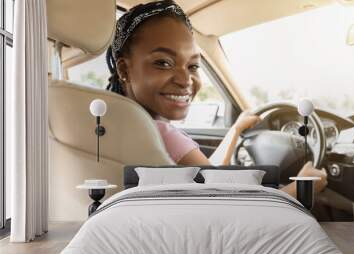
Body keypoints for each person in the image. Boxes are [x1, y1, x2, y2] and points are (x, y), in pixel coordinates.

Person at [105, 0, 327, 198]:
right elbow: (230, 207)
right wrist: (301, 188)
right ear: (124, 69)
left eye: (193, 66)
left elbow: (210, 177)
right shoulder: (161, 135)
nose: (185, 80)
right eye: (163, 62)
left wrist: (235, 130)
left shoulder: (118, 125)